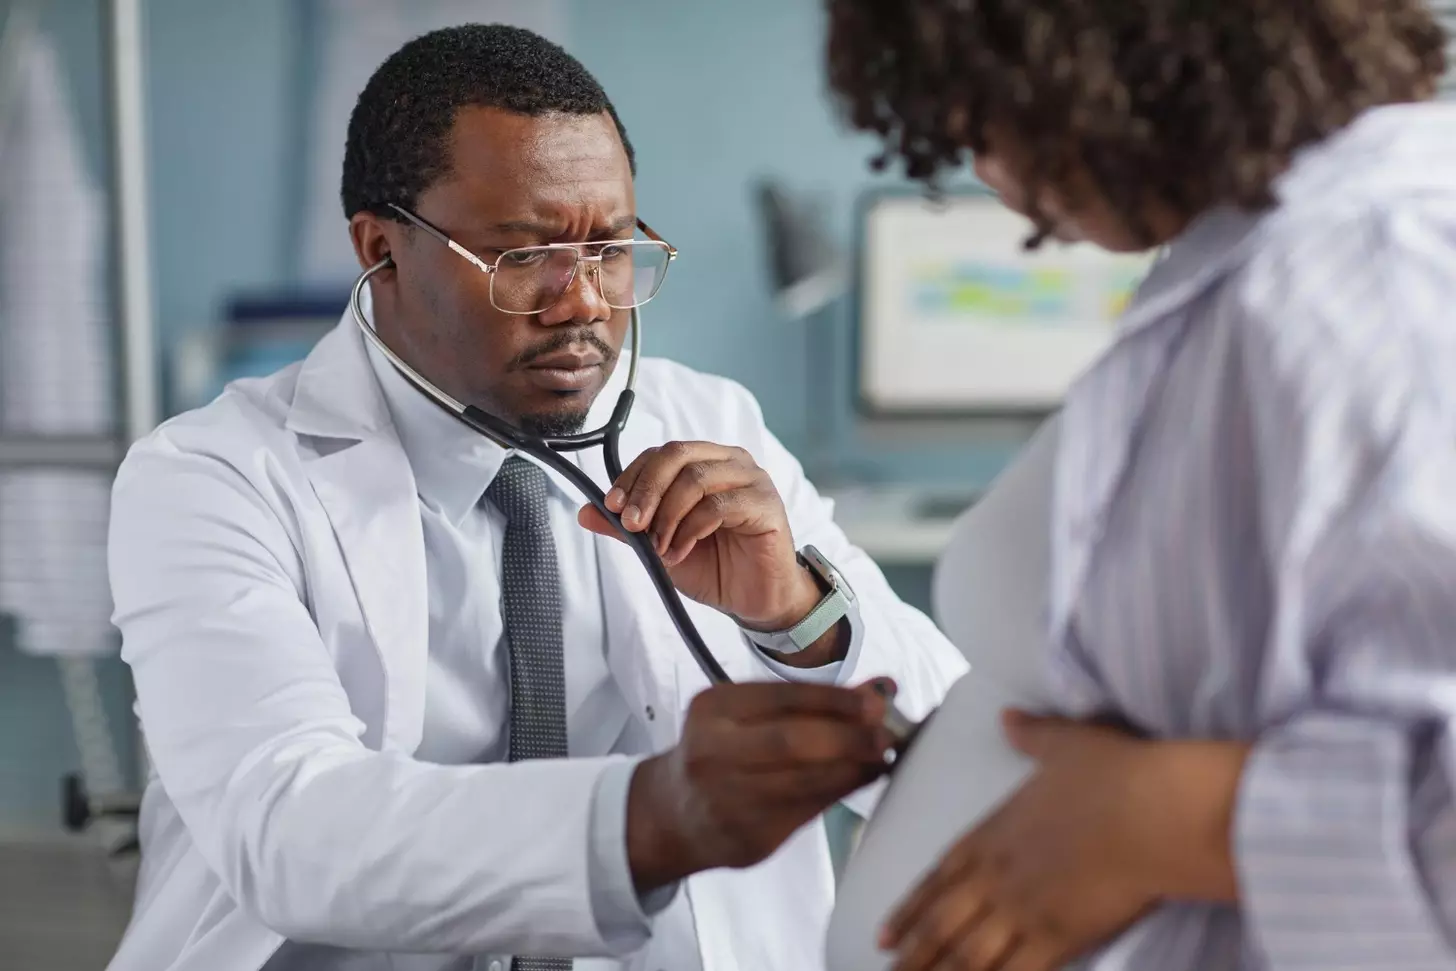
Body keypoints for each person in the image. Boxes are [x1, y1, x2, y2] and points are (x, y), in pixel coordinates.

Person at [105, 23, 967, 971]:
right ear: (380, 250)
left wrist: (799, 615)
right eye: (525, 255)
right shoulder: (212, 479)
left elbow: (953, 756)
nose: (585, 300)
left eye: (608, 248)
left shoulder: (714, 422)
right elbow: (286, 823)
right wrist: (643, 821)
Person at [824, 1, 1456, 970]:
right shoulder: (1252, 253)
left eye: (974, 97)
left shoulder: (1379, 273)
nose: (968, 151)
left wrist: (1161, 821)